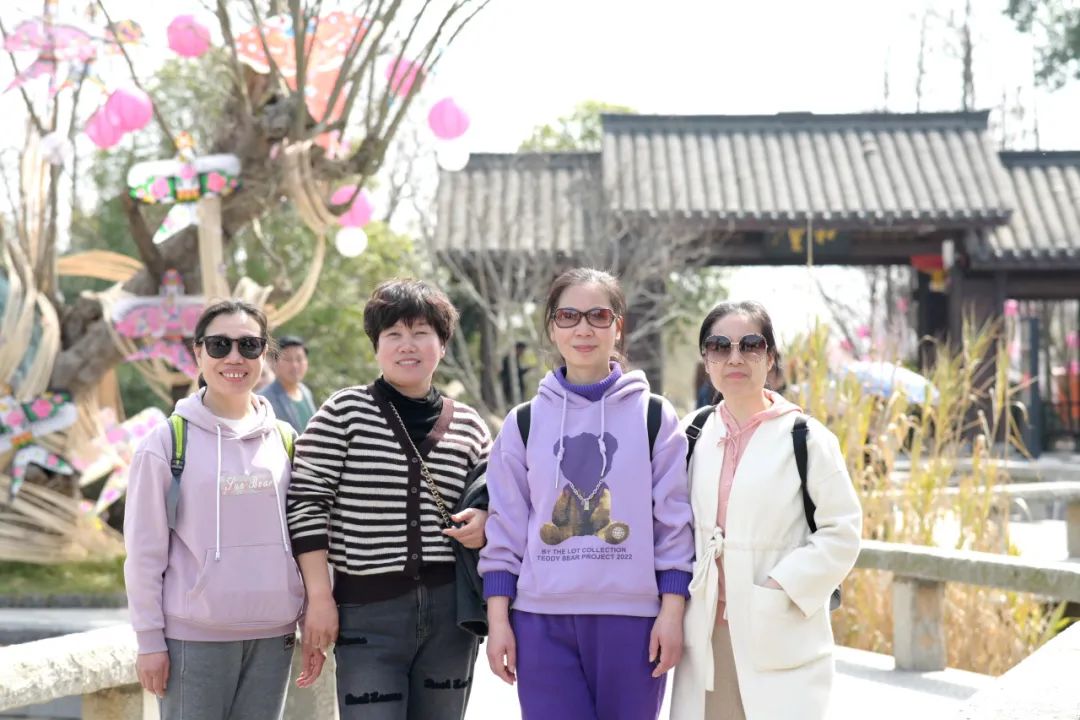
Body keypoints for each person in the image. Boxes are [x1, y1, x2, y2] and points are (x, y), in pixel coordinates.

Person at [479, 267, 694, 720]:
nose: (583, 329)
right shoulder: (523, 423)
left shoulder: (655, 417)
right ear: (552, 328)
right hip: (540, 622)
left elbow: (674, 526)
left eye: (598, 316)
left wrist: (672, 613)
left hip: (634, 622)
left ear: (618, 327)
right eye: (568, 316)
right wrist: (498, 621)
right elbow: (505, 530)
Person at [286, 279, 492, 720]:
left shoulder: (470, 426)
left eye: (421, 333)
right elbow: (305, 503)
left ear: (442, 344)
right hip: (367, 617)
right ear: (376, 347)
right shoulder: (343, 413)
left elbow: (496, 497)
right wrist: (319, 597)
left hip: (451, 619)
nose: (407, 345)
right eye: (393, 334)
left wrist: (484, 520)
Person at [124, 300, 320, 720]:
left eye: (249, 345)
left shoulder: (285, 439)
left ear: (264, 354)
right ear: (198, 353)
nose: (234, 357)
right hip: (193, 638)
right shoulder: (166, 443)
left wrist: (309, 616)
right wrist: (149, 640)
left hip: (274, 635)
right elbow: (143, 552)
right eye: (219, 345)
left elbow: (307, 536)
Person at [670, 301, 862, 719]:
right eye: (719, 346)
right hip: (704, 633)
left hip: (779, 627)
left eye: (751, 345)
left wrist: (780, 586)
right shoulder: (690, 434)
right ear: (706, 359)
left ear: (771, 357)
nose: (735, 357)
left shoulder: (806, 438)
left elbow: (842, 531)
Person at [260, 335, 317, 433]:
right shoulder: (265, 399)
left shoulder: (305, 391)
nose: (295, 365)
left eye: (299, 359)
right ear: (274, 362)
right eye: (288, 359)